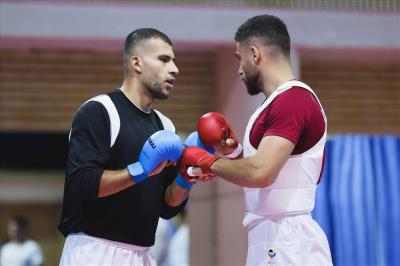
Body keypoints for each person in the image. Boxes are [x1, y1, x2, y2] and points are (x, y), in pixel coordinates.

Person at [180, 15, 333, 265]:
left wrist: (208, 161)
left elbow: (261, 173)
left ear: (254, 54)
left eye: (240, 59)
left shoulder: (293, 101)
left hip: (287, 240)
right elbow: (263, 176)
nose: (239, 69)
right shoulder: (273, 104)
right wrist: (231, 154)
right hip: (274, 237)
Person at [58, 28, 195, 266]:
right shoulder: (98, 111)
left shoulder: (165, 125)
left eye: (174, 61)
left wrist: (187, 176)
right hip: (93, 250)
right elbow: (82, 183)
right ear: (137, 63)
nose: (175, 69)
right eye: (164, 59)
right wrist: (140, 169)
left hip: (142, 254)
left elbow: (166, 207)